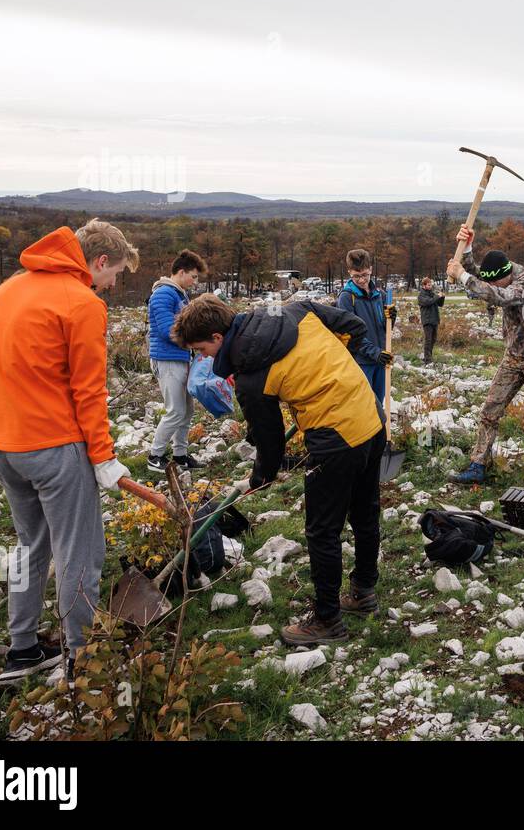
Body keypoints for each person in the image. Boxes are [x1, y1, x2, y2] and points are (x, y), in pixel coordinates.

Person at [171, 294, 385, 645]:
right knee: (364, 512)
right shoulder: (297, 310)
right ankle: (363, 591)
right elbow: (354, 327)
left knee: (322, 531)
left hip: (336, 436)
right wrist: (335, 367)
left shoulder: (252, 378)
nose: (202, 358)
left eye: (201, 349)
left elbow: (270, 446)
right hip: (370, 415)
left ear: (217, 338)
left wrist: (261, 478)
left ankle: (328, 620)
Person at [0, 219, 139, 683]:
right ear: (100, 261)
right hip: (53, 446)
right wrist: (104, 457)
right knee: (80, 552)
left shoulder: (8, 289)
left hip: (1, 444)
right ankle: (82, 660)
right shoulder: (82, 303)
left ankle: (23, 648)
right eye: (115, 276)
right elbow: (89, 392)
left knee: (31, 544)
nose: (112, 286)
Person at [446, 225, 524, 482]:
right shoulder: (501, 274)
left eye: (493, 281)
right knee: (489, 411)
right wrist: (466, 248)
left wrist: (463, 277)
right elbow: (480, 276)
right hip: (513, 357)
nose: (489, 286)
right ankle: (478, 465)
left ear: (505, 274)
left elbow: (501, 296)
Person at [146, 249, 207, 473]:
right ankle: (155, 455)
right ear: (181, 272)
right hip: (168, 359)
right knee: (175, 410)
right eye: (193, 276)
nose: (195, 281)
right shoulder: (164, 294)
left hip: (180, 358)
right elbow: (164, 329)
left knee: (187, 410)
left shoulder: (178, 294)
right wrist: (193, 341)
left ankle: (180, 455)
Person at [336, 249, 393, 404]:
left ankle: (380, 429)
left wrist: (392, 319)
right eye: (357, 276)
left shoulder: (379, 295)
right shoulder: (346, 298)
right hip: (361, 362)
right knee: (364, 406)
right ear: (349, 273)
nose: (361, 280)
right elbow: (351, 335)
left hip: (381, 360)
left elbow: (384, 328)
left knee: (379, 405)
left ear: (371, 270)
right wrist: (375, 352)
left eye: (365, 275)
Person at [417, 277, 445, 364]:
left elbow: (440, 304)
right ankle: (427, 359)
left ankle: (429, 356)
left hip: (434, 319)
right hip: (427, 320)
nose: (430, 286)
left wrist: (442, 297)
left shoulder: (432, 293)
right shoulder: (421, 295)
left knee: (433, 339)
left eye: (430, 285)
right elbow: (428, 302)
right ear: (424, 285)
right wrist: (437, 296)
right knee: (428, 340)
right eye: (428, 285)